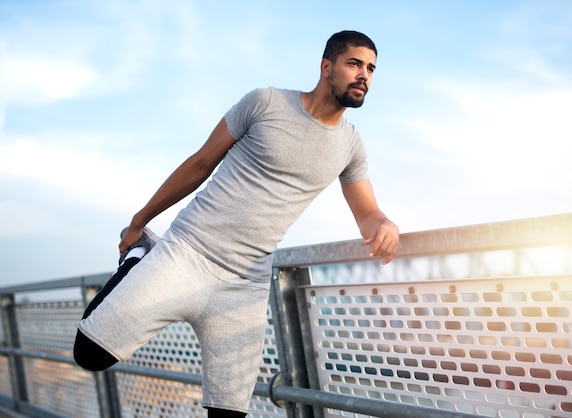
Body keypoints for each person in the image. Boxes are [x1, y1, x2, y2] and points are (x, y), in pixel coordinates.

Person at [73, 30, 399, 418]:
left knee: (228, 413)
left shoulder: (350, 145)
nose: (364, 75)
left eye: (371, 68)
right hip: (188, 255)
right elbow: (199, 164)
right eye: (354, 64)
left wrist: (384, 223)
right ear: (326, 67)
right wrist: (139, 221)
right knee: (89, 353)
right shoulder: (265, 103)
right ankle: (139, 260)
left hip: (246, 285)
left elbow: (367, 213)